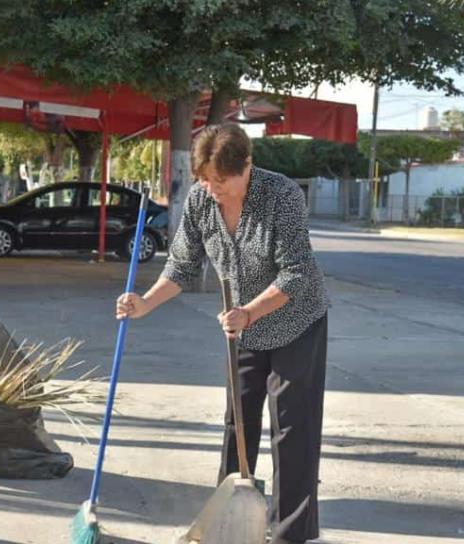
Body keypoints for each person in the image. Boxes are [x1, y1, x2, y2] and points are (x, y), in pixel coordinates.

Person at [116, 123, 329, 543]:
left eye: (221, 180)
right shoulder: (200, 202)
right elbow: (181, 265)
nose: (213, 188)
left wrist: (250, 312)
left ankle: (291, 532)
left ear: (246, 165)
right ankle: (231, 521)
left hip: (295, 321)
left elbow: (297, 271)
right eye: (205, 179)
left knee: (292, 428)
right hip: (243, 327)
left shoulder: (281, 195)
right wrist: (144, 303)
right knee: (238, 423)